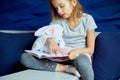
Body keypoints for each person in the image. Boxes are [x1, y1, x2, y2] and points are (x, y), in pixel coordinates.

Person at [20, 0, 97, 80]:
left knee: (83, 62)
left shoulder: (87, 19)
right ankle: (68, 68)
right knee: (25, 57)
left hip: (77, 55)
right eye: (56, 8)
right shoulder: (57, 21)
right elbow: (43, 35)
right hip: (59, 56)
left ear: (74, 2)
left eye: (62, 6)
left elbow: (90, 49)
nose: (59, 11)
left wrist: (76, 52)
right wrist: (50, 41)